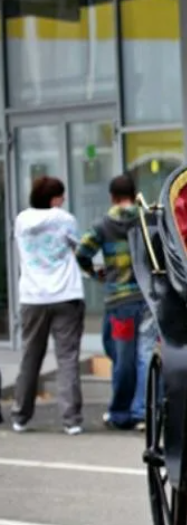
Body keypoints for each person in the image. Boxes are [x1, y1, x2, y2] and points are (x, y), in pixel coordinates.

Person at [76, 174, 157, 431]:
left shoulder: (102, 225)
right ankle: (144, 413)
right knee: (145, 355)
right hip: (147, 300)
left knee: (123, 358)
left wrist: (94, 272)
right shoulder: (148, 220)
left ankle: (121, 414)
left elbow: (82, 252)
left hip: (119, 302)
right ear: (134, 194)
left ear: (112, 196)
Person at [11, 176, 86, 436]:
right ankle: (71, 420)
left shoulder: (22, 220)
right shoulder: (65, 219)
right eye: (61, 195)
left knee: (30, 357)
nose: (63, 200)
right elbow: (80, 248)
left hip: (32, 297)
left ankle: (20, 416)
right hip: (66, 294)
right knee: (67, 359)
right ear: (53, 198)